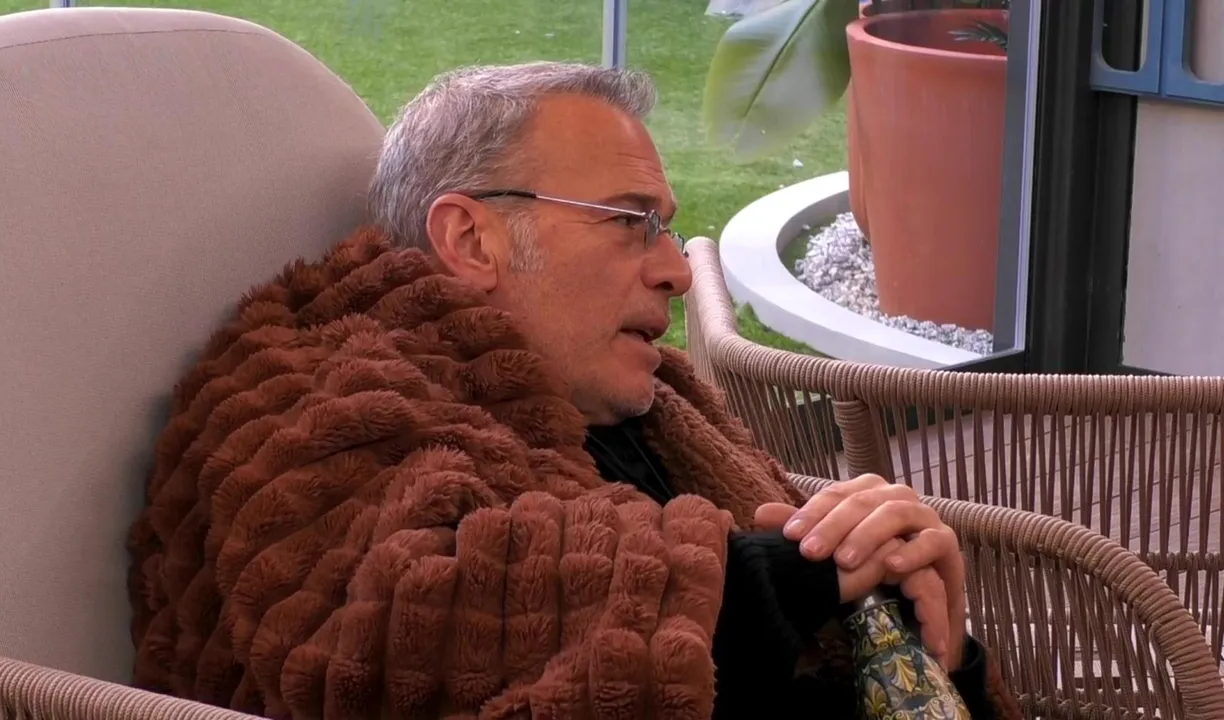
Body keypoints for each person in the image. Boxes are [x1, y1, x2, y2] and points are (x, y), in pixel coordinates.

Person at [127, 61, 1019, 718]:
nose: (677, 270)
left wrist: (935, 653)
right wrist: (777, 581)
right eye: (631, 221)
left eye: (665, 229)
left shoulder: (653, 404)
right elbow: (401, 625)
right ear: (471, 240)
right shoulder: (317, 406)